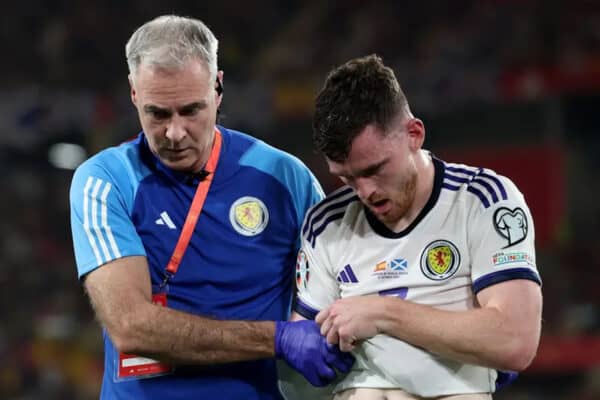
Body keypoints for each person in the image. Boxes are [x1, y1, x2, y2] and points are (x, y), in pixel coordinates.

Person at [69, 15, 353, 400]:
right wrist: (278, 339)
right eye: (157, 113)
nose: (174, 132)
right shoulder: (105, 181)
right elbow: (131, 326)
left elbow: (344, 290)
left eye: (190, 110)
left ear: (218, 90)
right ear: (134, 95)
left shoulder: (285, 179)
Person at [288, 54, 543, 399]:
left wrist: (381, 312)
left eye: (374, 169)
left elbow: (516, 341)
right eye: (347, 178)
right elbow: (306, 348)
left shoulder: (483, 201)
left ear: (414, 134)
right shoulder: (326, 223)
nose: (365, 192)